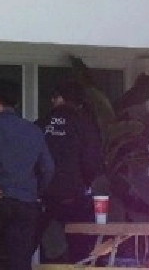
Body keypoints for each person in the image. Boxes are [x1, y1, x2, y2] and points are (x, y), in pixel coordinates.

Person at [0, 80, 54, 270]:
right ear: (17, 104)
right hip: (27, 203)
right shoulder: (34, 130)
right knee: (20, 260)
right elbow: (48, 167)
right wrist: (37, 191)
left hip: (0, 198)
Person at [35, 81, 104, 262]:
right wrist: (86, 182)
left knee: (39, 247)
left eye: (54, 97)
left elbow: (28, 159)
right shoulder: (85, 124)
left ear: (61, 98)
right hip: (74, 196)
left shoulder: (41, 124)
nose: (52, 101)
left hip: (44, 198)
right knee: (80, 249)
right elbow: (92, 162)